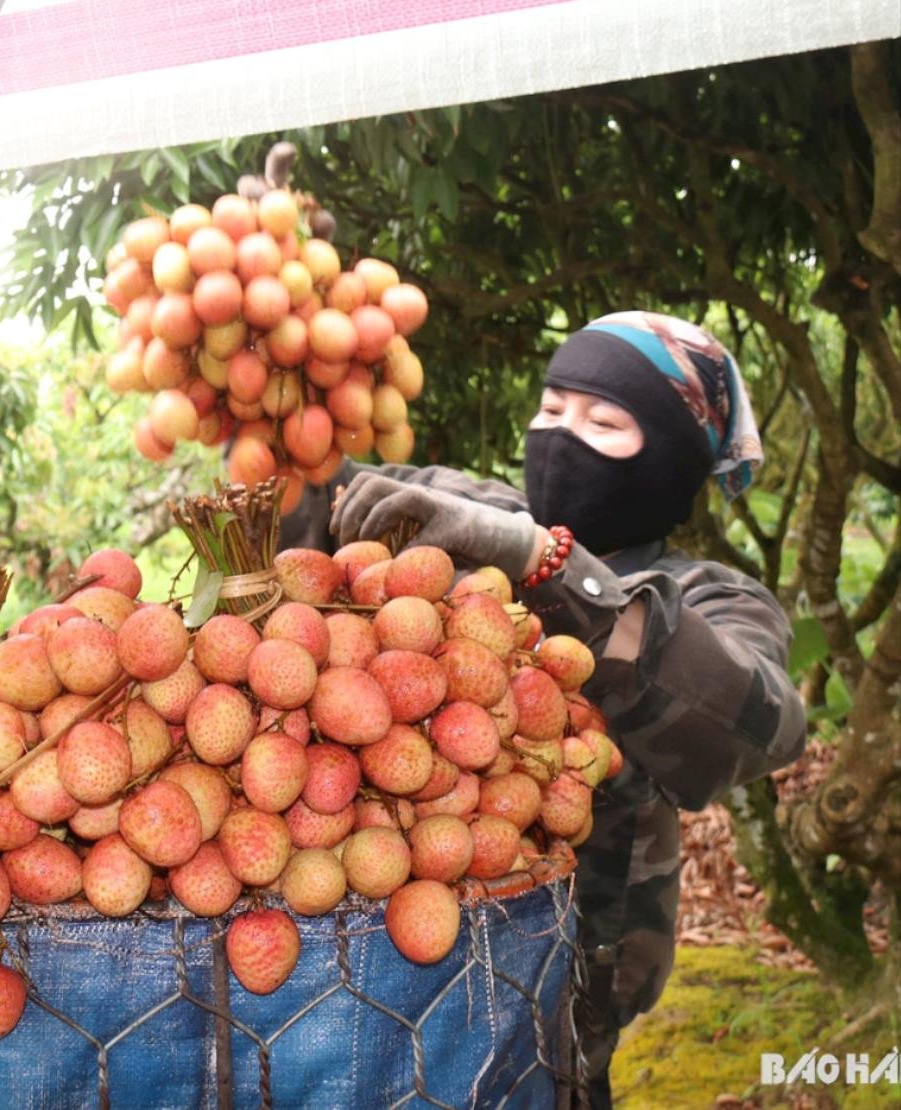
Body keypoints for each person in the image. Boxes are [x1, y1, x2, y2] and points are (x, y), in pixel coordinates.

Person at [282, 311, 806, 1109]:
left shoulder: (712, 598)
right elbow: (305, 479)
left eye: (604, 421)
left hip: (556, 997)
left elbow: (761, 723)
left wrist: (541, 561)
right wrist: (276, 348)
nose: (563, 437)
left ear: (671, 462)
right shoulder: (465, 509)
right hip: (369, 960)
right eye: (552, 408)